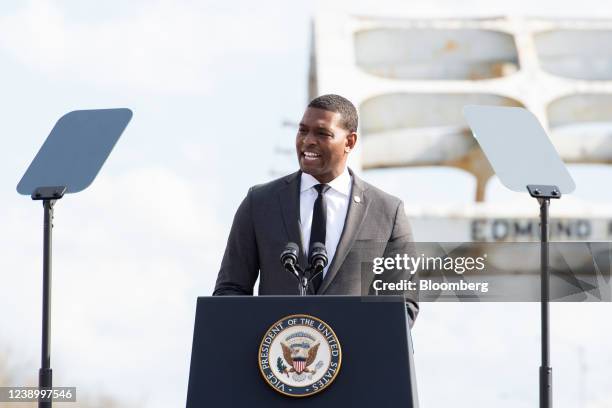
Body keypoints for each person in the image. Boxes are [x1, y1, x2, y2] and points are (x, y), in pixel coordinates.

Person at [213, 94, 418, 326]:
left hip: (356, 359)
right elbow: (230, 291)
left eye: (322, 133)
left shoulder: (388, 212)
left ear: (350, 142)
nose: (308, 141)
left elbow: (403, 304)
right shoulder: (259, 203)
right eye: (302, 131)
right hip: (274, 358)